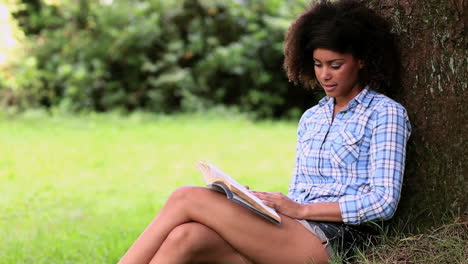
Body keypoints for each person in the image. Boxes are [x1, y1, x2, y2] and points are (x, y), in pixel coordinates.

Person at [118, 0, 411, 263]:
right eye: (318, 64)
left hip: (337, 239)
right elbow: (299, 193)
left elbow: (383, 202)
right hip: (291, 230)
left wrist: (301, 211)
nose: (325, 75)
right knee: (186, 238)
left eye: (335, 65)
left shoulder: (384, 113)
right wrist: (253, 204)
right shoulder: (313, 117)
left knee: (185, 197)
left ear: (360, 61)